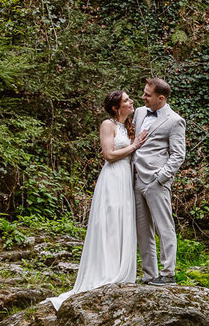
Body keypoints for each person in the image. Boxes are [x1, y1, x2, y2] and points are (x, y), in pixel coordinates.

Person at [48, 91, 149, 309]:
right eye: (127, 100)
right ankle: (106, 271)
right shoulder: (108, 124)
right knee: (110, 221)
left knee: (123, 222)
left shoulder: (128, 125)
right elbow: (109, 154)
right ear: (116, 107)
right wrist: (134, 146)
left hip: (126, 178)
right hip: (113, 178)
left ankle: (121, 271)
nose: (132, 102)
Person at [133, 77, 187, 285]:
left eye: (147, 94)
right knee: (143, 229)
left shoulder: (175, 120)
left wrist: (161, 177)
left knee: (164, 228)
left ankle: (168, 274)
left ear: (161, 98)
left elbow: (178, 155)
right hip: (137, 178)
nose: (143, 97)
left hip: (157, 181)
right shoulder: (139, 112)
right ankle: (149, 274)